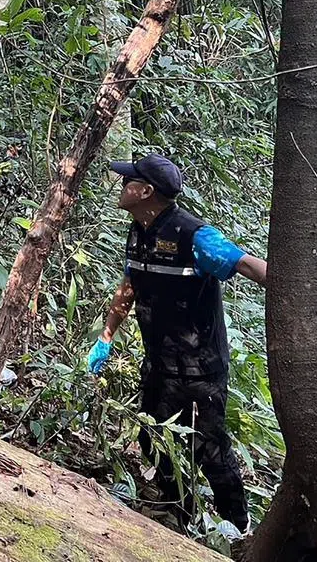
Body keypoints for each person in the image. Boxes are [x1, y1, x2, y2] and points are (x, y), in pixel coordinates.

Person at [88, 154, 268, 532]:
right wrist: (106, 336)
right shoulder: (138, 230)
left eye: (128, 183)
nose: (122, 187)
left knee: (210, 447)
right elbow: (130, 286)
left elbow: (247, 265)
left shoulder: (195, 235)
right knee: (153, 436)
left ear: (146, 192)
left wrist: (300, 288)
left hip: (200, 368)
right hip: (160, 363)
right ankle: (178, 514)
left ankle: (239, 527)